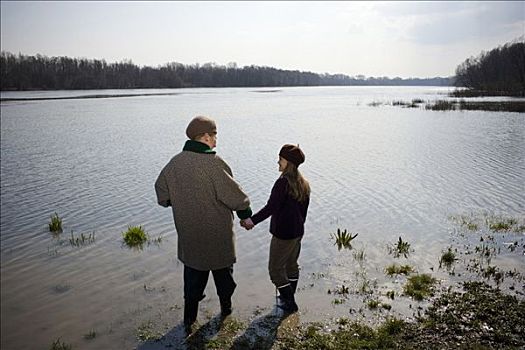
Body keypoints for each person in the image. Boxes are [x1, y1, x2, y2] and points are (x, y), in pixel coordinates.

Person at [155, 115, 252, 332]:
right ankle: (226, 311)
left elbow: (161, 192)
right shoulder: (214, 163)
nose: (216, 140)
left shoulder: (174, 163)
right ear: (206, 137)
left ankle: (189, 320)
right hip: (218, 236)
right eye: (215, 136)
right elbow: (236, 197)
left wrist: (177, 202)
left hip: (190, 237)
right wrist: (246, 214)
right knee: (224, 280)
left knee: (192, 282)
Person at [241, 144, 310, 313]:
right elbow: (304, 212)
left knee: (275, 270)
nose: (278, 162)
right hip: (297, 232)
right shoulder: (304, 183)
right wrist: (298, 228)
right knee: (291, 265)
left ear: (289, 163)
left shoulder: (282, 183)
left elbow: (271, 207)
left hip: (283, 235)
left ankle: (290, 303)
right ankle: (288, 298)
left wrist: (251, 221)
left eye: (280, 159)